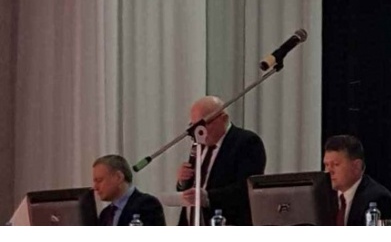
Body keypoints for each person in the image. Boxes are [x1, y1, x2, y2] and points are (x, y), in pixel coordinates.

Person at [176, 96, 267, 226]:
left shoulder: (246, 142)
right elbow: (193, 187)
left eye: (203, 125)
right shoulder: (199, 145)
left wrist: (208, 197)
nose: (199, 132)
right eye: (193, 126)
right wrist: (182, 182)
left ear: (223, 118)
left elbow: (246, 188)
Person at [323, 134, 391, 226]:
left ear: (356, 166)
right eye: (326, 165)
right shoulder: (322, 197)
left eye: (336, 164)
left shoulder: (379, 198)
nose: (328, 171)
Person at [93, 154, 166, 226]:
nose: (95, 187)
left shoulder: (147, 205)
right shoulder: (104, 215)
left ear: (118, 177)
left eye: (99, 180)